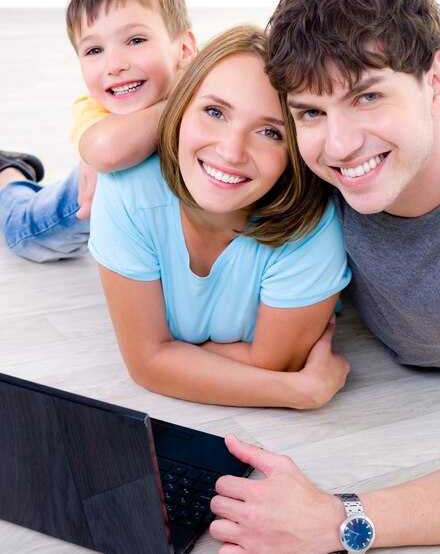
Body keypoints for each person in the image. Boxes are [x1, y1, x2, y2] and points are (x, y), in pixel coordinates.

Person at [210, 0, 440, 551]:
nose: (341, 145)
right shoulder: (306, 172)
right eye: (311, 112)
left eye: (368, 97)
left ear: (435, 83)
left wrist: (338, 519)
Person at [88, 24, 351, 408]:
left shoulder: (311, 227)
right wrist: (299, 391)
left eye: (270, 133)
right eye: (214, 111)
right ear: (179, 110)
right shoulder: (129, 189)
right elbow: (145, 363)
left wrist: (167, 353)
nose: (231, 151)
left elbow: (276, 361)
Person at [0, 0, 196, 262]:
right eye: (94, 50)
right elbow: (108, 150)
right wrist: (184, 106)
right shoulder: (93, 108)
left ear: (183, 47)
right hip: (66, 211)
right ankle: (9, 172)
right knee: (23, 226)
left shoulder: (210, 84)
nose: (114, 64)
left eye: (136, 40)